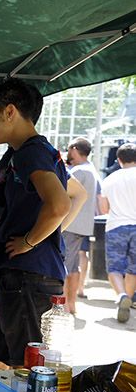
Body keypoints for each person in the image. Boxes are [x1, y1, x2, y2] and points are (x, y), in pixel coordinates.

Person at [0, 78, 86, 370]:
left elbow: (61, 204)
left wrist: (31, 240)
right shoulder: (19, 154)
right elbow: (21, 208)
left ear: (9, 111)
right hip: (17, 274)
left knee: (28, 368)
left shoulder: (32, 151)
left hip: (29, 275)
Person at [99, 143, 136, 323]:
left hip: (116, 226)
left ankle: (122, 296)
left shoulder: (109, 179)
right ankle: (127, 301)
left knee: (114, 267)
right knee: (133, 268)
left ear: (119, 159)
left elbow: (104, 209)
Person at [62, 137, 99, 313]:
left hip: (70, 224)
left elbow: (62, 193)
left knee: (63, 266)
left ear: (75, 149)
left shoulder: (78, 172)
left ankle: (62, 306)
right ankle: (71, 304)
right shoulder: (90, 170)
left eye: (69, 149)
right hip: (82, 226)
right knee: (74, 265)